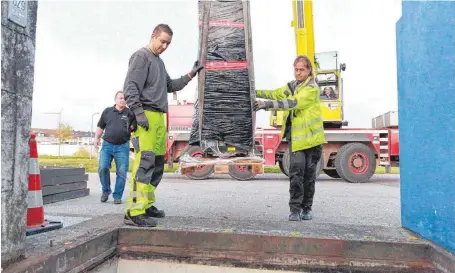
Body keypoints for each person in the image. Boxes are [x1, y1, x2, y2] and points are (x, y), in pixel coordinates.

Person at [123, 23, 203, 227]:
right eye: (162, 41)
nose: (165, 46)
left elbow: (170, 86)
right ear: (153, 36)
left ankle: (147, 205)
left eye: (168, 43)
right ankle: (134, 210)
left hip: (159, 119)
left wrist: (191, 74)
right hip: (146, 117)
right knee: (144, 164)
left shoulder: (158, 62)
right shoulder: (141, 57)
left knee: (157, 165)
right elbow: (130, 87)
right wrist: (139, 114)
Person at [253, 55, 325, 221]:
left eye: (302, 70)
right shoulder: (293, 86)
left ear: (309, 71)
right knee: (296, 174)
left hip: (313, 140)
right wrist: (253, 91)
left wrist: (266, 105)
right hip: (297, 140)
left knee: (309, 176)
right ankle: (294, 209)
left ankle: (307, 208)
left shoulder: (312, 88)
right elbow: (275, 94)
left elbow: (292, 103)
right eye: (296, 69)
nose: (298, 73)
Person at [94, 91, 136, 204]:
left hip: (122, 146)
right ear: (115, 100)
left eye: (124, 98)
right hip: (107, 145)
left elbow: (134, 129)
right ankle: (106, 190)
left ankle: (117, 196)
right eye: (120, 98)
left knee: (122, 172)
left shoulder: (130, 114)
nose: (122, 100)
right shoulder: (107, 112)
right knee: (102, 168)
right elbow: (100, 126)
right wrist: (97, 138)